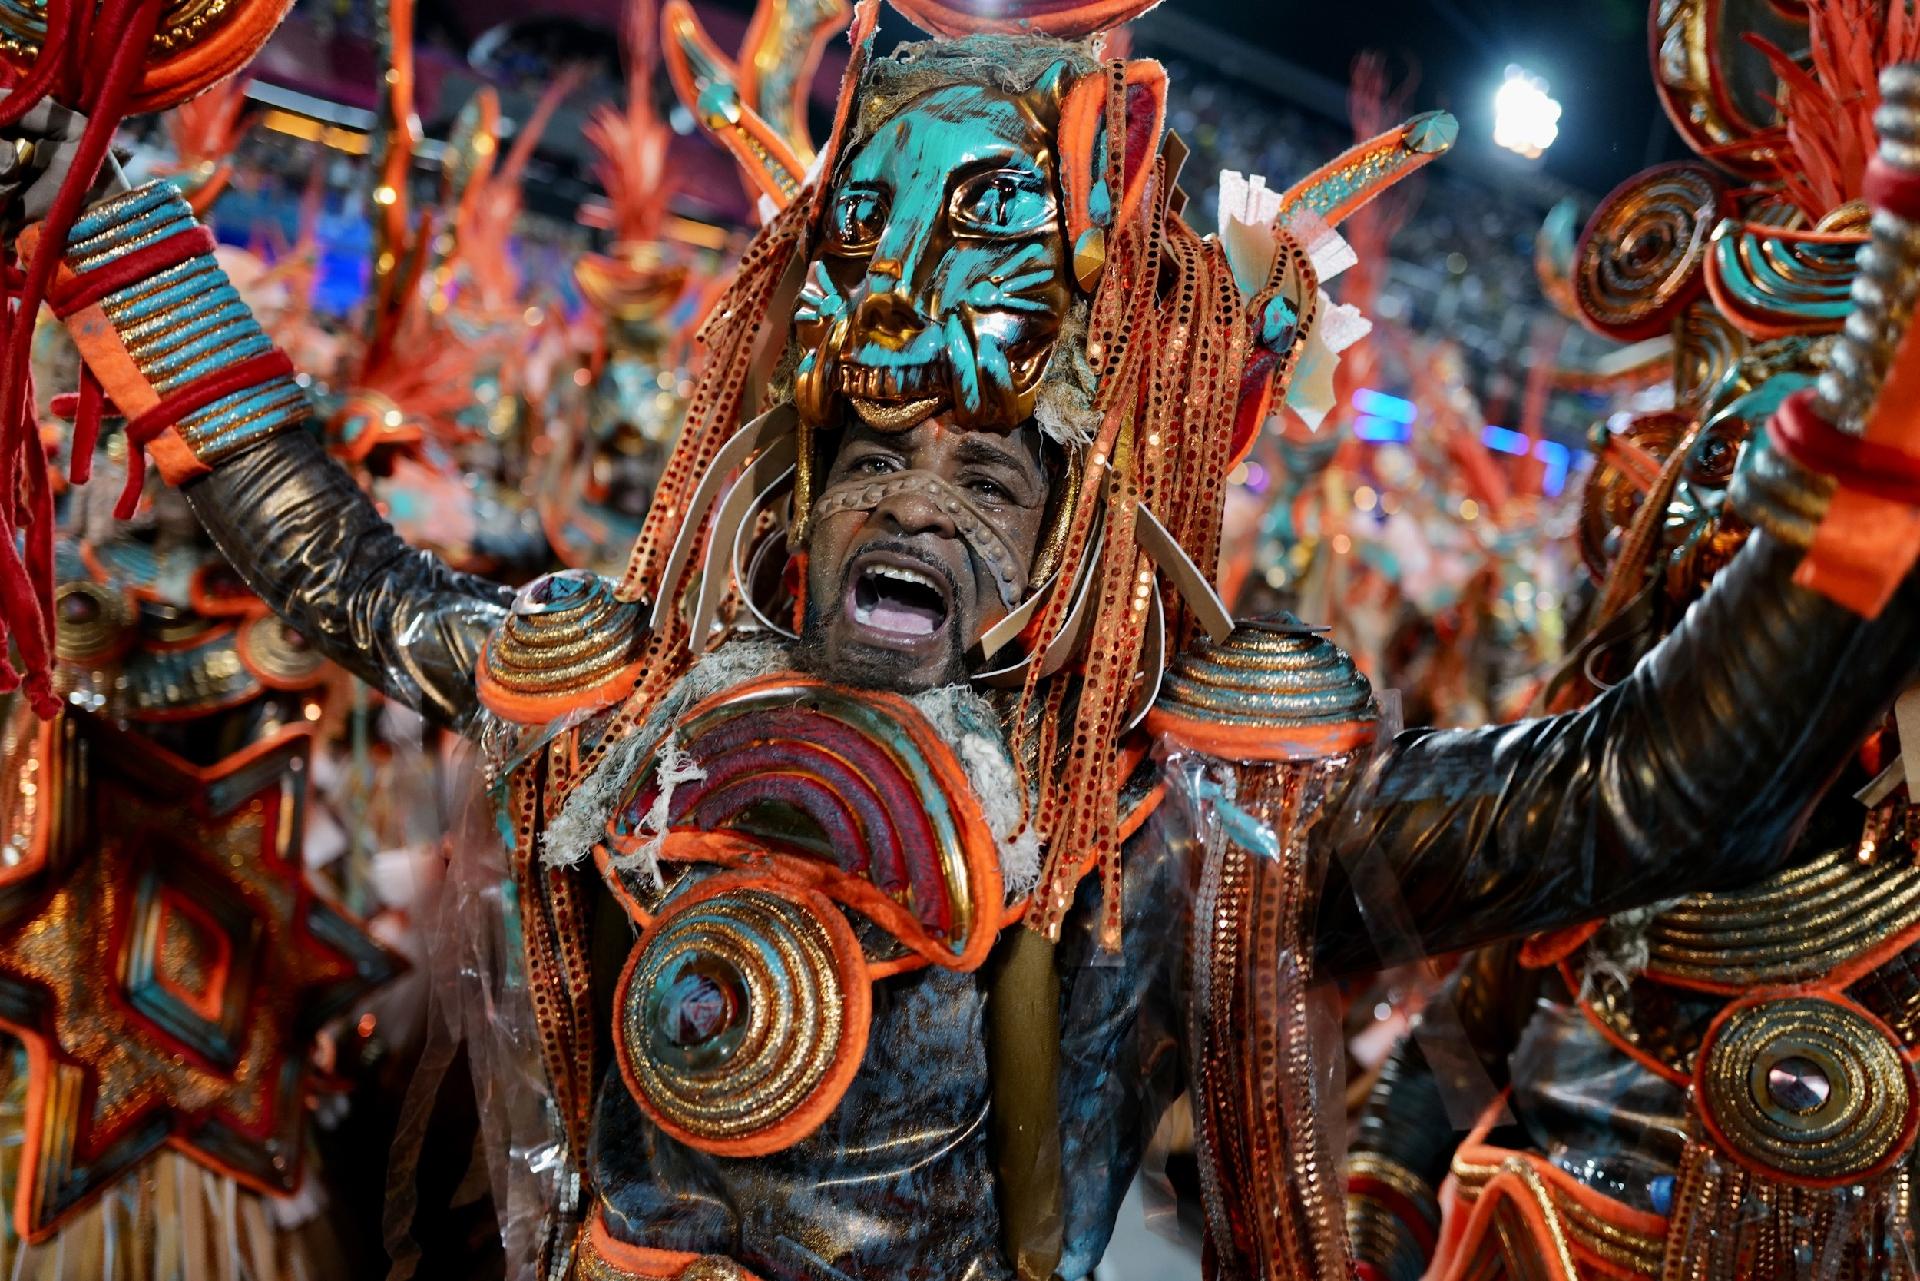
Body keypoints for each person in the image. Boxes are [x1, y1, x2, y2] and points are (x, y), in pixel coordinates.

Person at [12, 2, 1920, 1277]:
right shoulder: (636, 702)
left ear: (1091, 528)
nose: (913, 497)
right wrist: (115, 227)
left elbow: (1646, 793)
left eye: (997, 475)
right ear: (792, 448)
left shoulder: (1189, 827)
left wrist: (1874, 473)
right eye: (873, 446)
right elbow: (345, 573)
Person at [1346, 4, 1920, 1278]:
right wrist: (1369, 1223)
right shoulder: (1581, 845)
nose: (1735, 515)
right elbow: (1444, 1063)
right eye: (1718, 460)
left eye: (1789, 480)